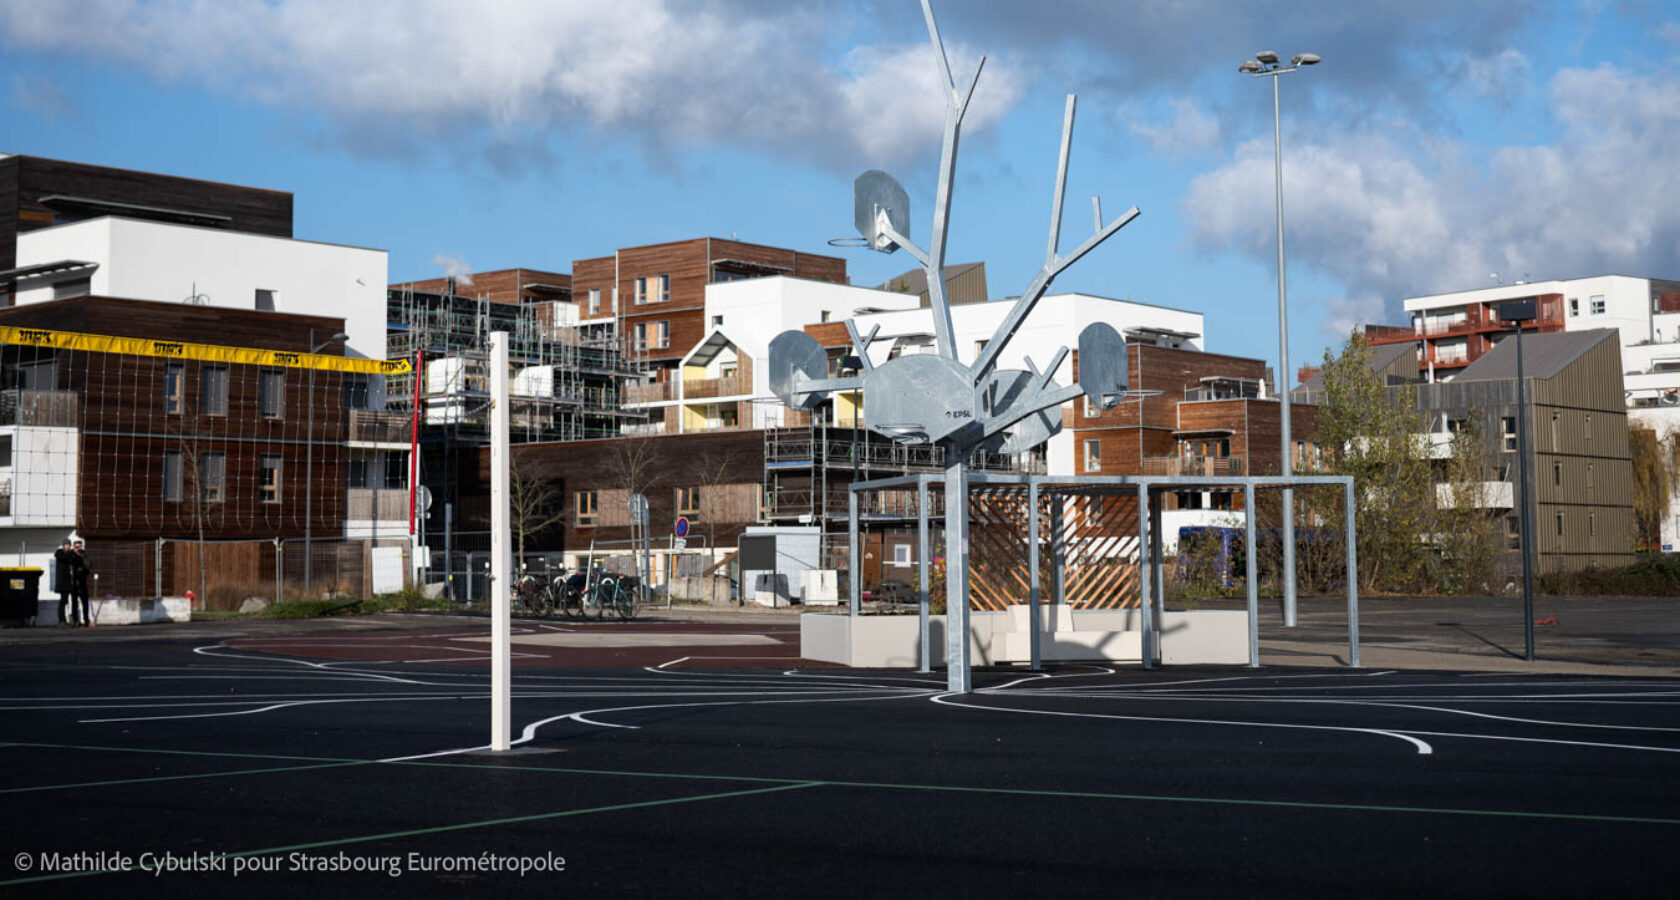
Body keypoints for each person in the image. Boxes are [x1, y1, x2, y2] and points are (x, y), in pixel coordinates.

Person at [68, 540, 91, 627]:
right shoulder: (71, 555)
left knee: (85, 602)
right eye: (76, 547)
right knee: (74, 603)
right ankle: (75, 620)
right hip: (73, 583)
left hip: (82, 582)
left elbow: (89, 565)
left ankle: (86, 620)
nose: (78, 549)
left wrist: (82, 556)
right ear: (73, 547)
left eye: (79, 547)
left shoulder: (84, 555)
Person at [52, 540, 74, 626]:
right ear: (63, 546)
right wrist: (70, 553)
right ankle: (62, 619)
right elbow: (64, 558)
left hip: (68, 582)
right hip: (62, 582)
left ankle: (67, 618)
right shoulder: (59, 553)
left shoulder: (70, 555)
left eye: (69, 545)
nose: (68, 546)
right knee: (63, 600)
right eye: (66, 545)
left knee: (66, 600)